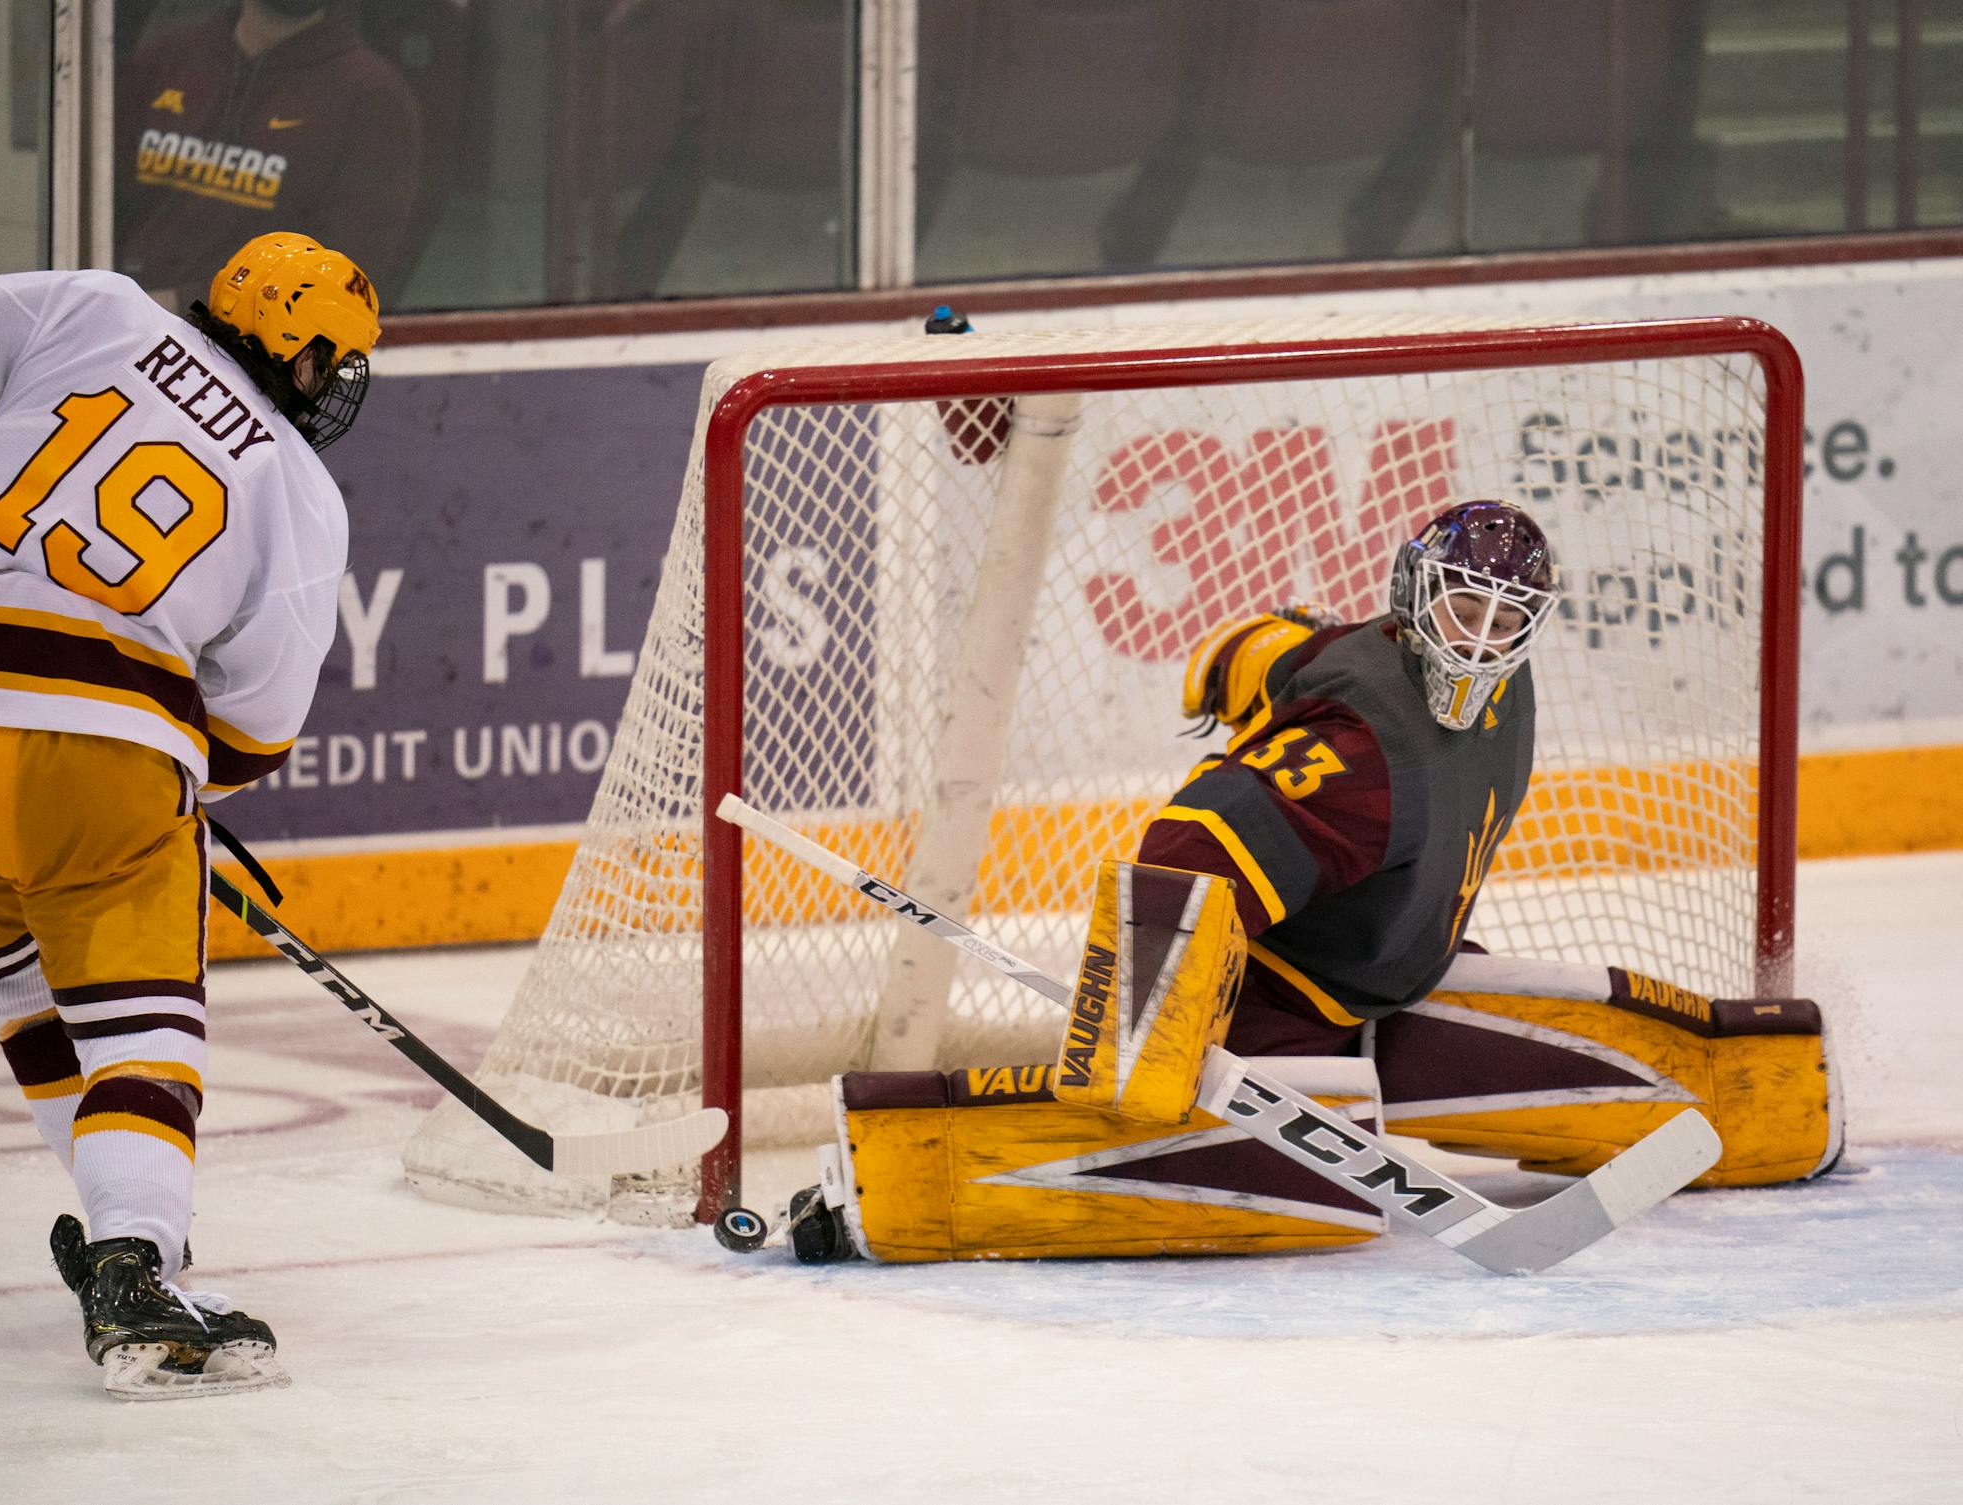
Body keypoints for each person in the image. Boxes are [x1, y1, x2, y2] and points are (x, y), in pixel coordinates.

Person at [785, 501, 1842, 1264]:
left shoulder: (1459, 683)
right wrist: (1153, 1040)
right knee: (1311, 1189)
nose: (1480, 640)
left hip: (1384, 966)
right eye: (1461, 609)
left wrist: (1232, 667)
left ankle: (1777, 1107)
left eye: (1504, 619)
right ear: (1411, 596)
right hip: (1277, 996)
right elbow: (1185, 849)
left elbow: (1274, 647)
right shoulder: (1365, 755)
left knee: (1615, 1034)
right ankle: (901, 1173)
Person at [0, 232, 380, 1395]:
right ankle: (133, 1258)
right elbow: (256, 729)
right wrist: (174, 796)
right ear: (305, 356)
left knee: (28, 996)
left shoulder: (91, 310)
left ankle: (130, 1236)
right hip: (93, 768)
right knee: (141, 1035)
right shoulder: (302, 490)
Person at [116, 0, 422, 312]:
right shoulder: (167, 59)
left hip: (252, 347)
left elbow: (342, 271)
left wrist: (183, 304)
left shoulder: (374, 100)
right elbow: (87, 200)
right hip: (116, 321)